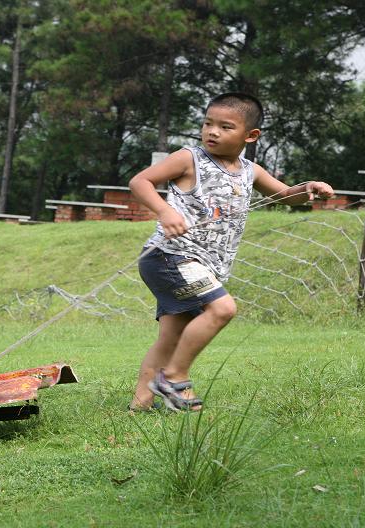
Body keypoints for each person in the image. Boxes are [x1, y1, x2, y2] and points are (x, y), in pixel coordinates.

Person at [127, 92, 334, 412]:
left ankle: (141, 403)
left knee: (171, 336)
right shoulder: (188, 158)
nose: (212, 132)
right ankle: (175, 376)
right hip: (171, 256)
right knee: (222, 309)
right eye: (208, 123)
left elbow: (286, 196)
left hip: (205, 264)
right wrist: (164, 211)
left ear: (250, 136)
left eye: (225, 127)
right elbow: (140, 182)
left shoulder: (251, 171)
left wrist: (309, 188)